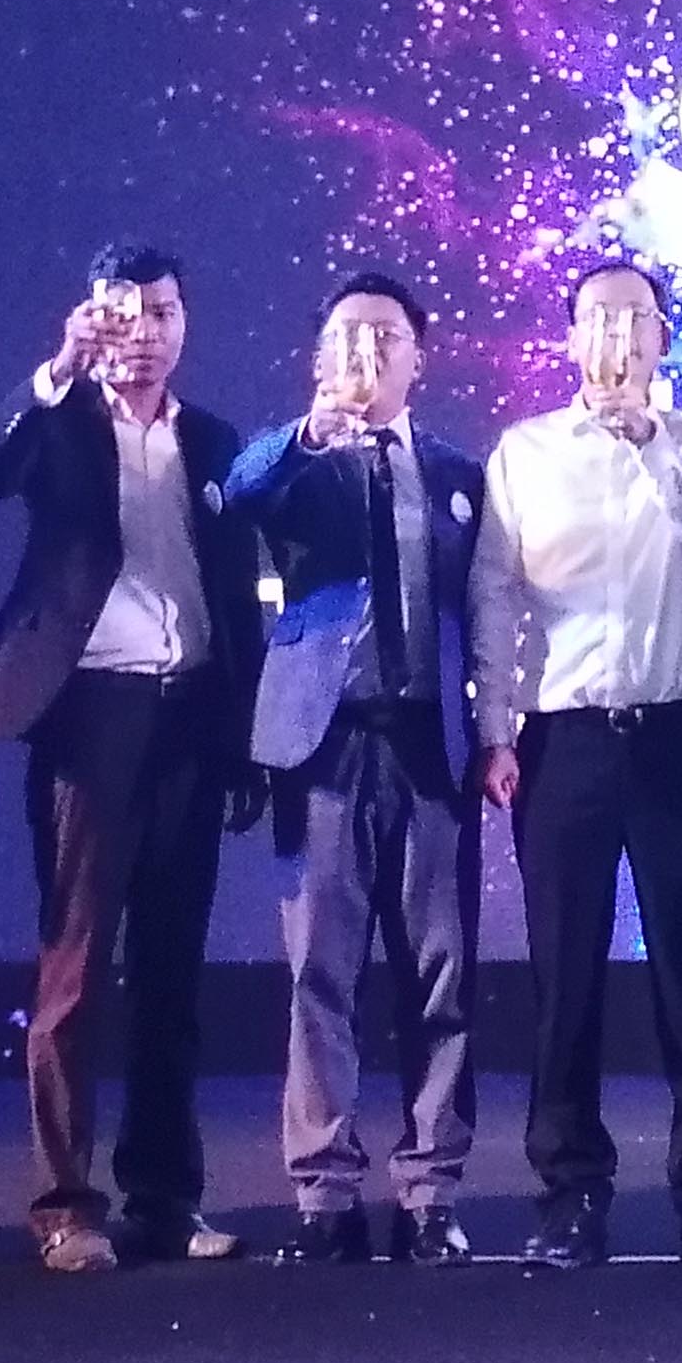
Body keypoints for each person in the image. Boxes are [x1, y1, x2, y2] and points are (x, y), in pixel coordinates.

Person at [0, 245, 266, 1272]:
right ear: (96, 319)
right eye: (128, 313)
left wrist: (246, 738)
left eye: (165, 312)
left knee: (173, 974)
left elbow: (236, 594)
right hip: (91, 714)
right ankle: (65, 1205)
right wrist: (58, 367)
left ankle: (166, 1198)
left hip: (191, 714)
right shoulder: (60, 421)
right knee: (78, 967)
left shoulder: (213, 438)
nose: (147, 331)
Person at [474, 260, 682, 1272]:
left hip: (677, 729)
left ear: (662, 337)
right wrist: (495, 729)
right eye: (598, 317)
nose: (617, 336)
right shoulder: (526, 450)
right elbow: (495, 592)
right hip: (566, 739)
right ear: (570, 336)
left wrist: (647, 440)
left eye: (636, 318)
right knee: (566, 974)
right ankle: (570, 1189)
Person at [226, 273, 488, 1265]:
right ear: (319, 360)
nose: (367, 353)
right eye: (346, 337)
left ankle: (430, 1190)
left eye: (386, 337)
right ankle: (324, 1192)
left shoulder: (460, 472)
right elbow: (241, 492)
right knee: (319, 977)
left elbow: (488, 604)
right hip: (324, 745)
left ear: (421, 356)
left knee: (442, 978)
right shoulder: (296, 464)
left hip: (430, 743)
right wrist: (313, 430)